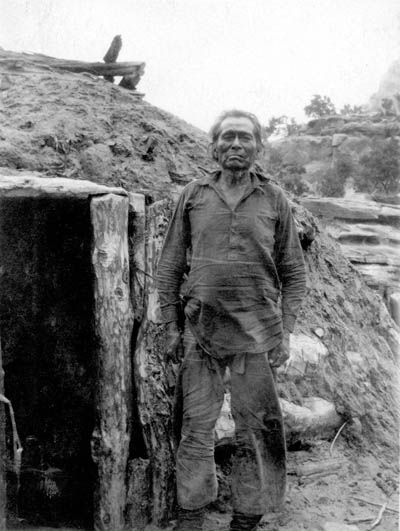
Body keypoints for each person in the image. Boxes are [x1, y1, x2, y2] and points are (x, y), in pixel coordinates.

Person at [157, 110, 306, 531]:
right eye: (227, 137)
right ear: (214, 146)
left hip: (256, 335)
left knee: (256, 430)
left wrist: (287, 331)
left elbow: (294, 272)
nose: (235, 145)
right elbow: (169, 265)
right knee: (195, 427)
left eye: (245, 137)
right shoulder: (194, 194)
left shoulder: (275, 200)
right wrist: (170, 326)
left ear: (259, 147)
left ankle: (246, 515)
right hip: (200, 332)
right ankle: (191, 511)